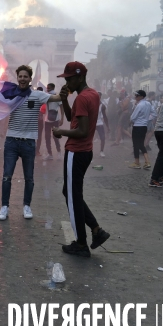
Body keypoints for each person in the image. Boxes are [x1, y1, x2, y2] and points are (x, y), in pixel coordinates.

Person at [51, 62, 110, 257]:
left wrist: (61, 132)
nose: (66, 81)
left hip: (76, 151)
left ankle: (82, 243)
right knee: (71, 193)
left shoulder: (83, 98)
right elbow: (72, 117)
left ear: (80, 77)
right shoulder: (90, 95)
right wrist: (64, 99)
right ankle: (96, 230)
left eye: (69, 78)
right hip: (85, 152)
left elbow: (81, 131)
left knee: (73, 197)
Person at [0, 65, 63, 221]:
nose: (22, 79)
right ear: (17, 77)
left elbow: (56, 98)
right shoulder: (10, 94)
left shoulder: (38, 95)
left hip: (28, 142)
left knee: (29, 178)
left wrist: (71, 87)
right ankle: (4, 207)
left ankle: (27, 206)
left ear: (30, 78)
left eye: (25, 76)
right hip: (11, 141)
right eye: (20, 76)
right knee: (7, 176)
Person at [129, 90, 152, 169]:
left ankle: (137, 162)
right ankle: (147, 161)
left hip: (137, 126)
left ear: (141, 96)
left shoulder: (139, 105)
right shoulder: (148, 104)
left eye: (137, 96)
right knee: (141, 143)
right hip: (144, 126)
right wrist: (147, 119)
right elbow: (154, 113)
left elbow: (133, 117)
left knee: (136, 144)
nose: (135, 97)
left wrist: (131, 121)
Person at [43, 83, 64, 160]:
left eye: (48, 88)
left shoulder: (55, 97)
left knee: (53, 137)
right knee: (49, 137)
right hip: (49, 119)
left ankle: (56, 153)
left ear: (52, 88)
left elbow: (62, 107)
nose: (47, 89)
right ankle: (52, 154)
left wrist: (62, 118)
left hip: (53, 120)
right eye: (47, 88)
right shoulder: (47, 96)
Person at [95, 92, 109, 158]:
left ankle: (101, 151)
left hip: (99, 123)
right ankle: (88, 152)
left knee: (102, 137)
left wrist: (108, 126)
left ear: (100, 97)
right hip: (91, 123)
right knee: (89, 139)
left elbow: (105, 116)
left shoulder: (102, 106)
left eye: (99, 96)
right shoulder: (90, 104)